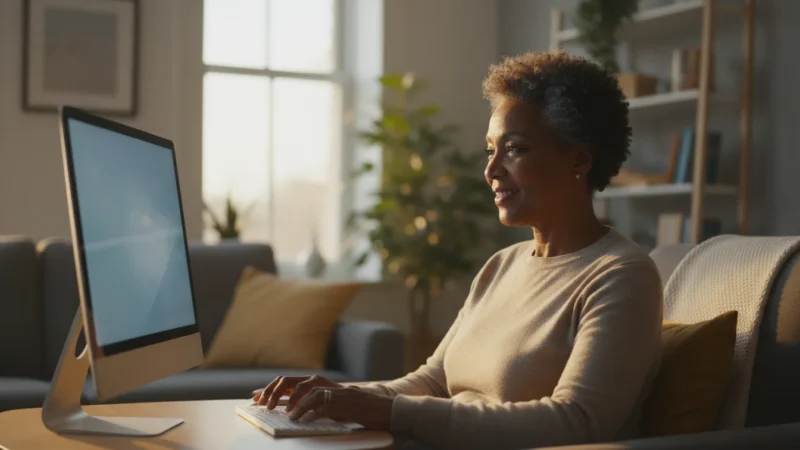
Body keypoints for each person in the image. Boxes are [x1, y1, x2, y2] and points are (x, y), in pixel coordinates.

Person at [253, 50, 664, 450]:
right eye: (490, 150)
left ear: (579, 160)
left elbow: (578, 421)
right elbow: (432, 380)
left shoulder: (621, 275)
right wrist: (335, 396)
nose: (491, 170)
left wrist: (394, 412)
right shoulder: (501, 266)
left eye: (514, 149)